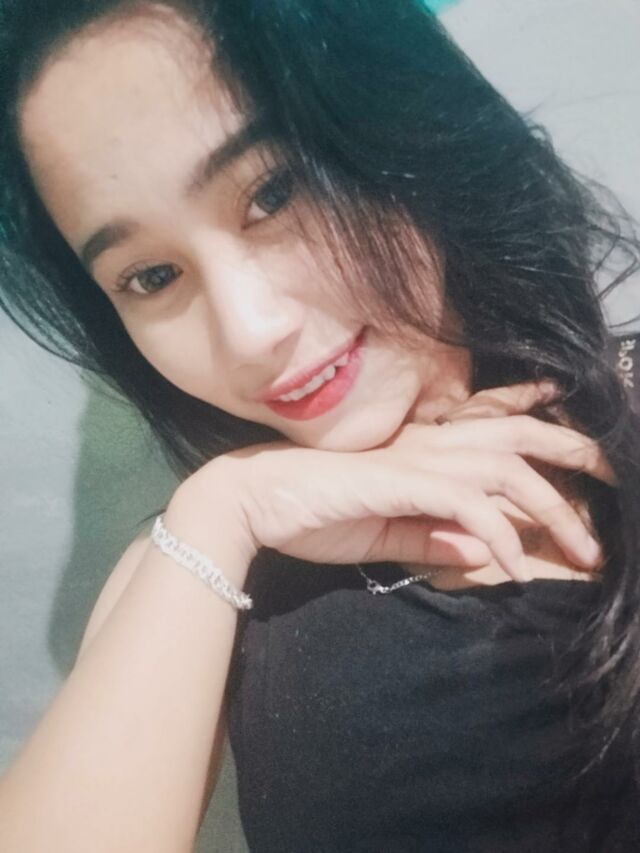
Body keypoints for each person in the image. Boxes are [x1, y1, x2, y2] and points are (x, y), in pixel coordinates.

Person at [0, 1, 639, 850]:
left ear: (399, 121)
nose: (249, 331)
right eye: (151, 276)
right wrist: (228, 507)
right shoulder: (200, 558)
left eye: (273, 191)